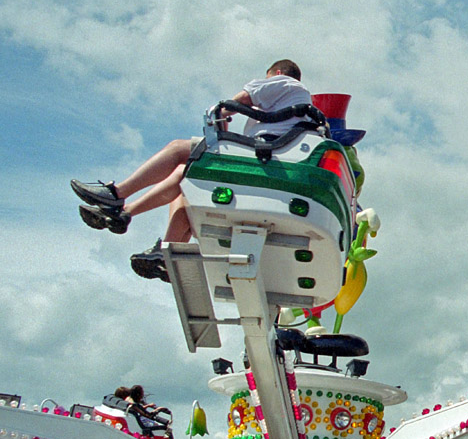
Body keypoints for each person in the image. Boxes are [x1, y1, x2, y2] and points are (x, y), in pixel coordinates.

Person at [71, 60, 310, 281]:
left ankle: (117, 194)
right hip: (270, 164)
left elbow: (237, 102)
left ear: (276, 74)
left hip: (261, 158)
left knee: (177, 149)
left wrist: (223, 114)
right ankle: (136, 222)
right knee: (186, 181)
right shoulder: (300, 108)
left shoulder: (285, 83)